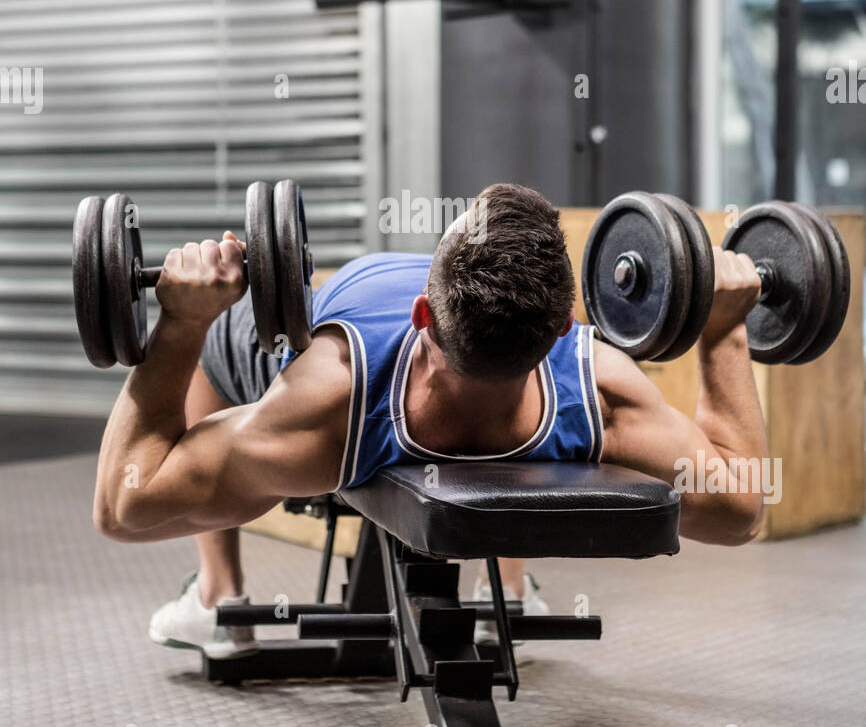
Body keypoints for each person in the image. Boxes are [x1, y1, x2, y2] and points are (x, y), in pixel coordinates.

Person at [92, 183, 768, 659]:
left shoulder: (324, 403)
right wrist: (724, 333)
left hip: (355, 326)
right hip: (475, 343)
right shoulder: (600, 387)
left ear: (422, 313)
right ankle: (506, 588)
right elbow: (742, 511)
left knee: (219, 344)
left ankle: (217, 598)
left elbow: (123, 506)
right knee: (519, 420)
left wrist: (182, 323)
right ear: (567, 325)